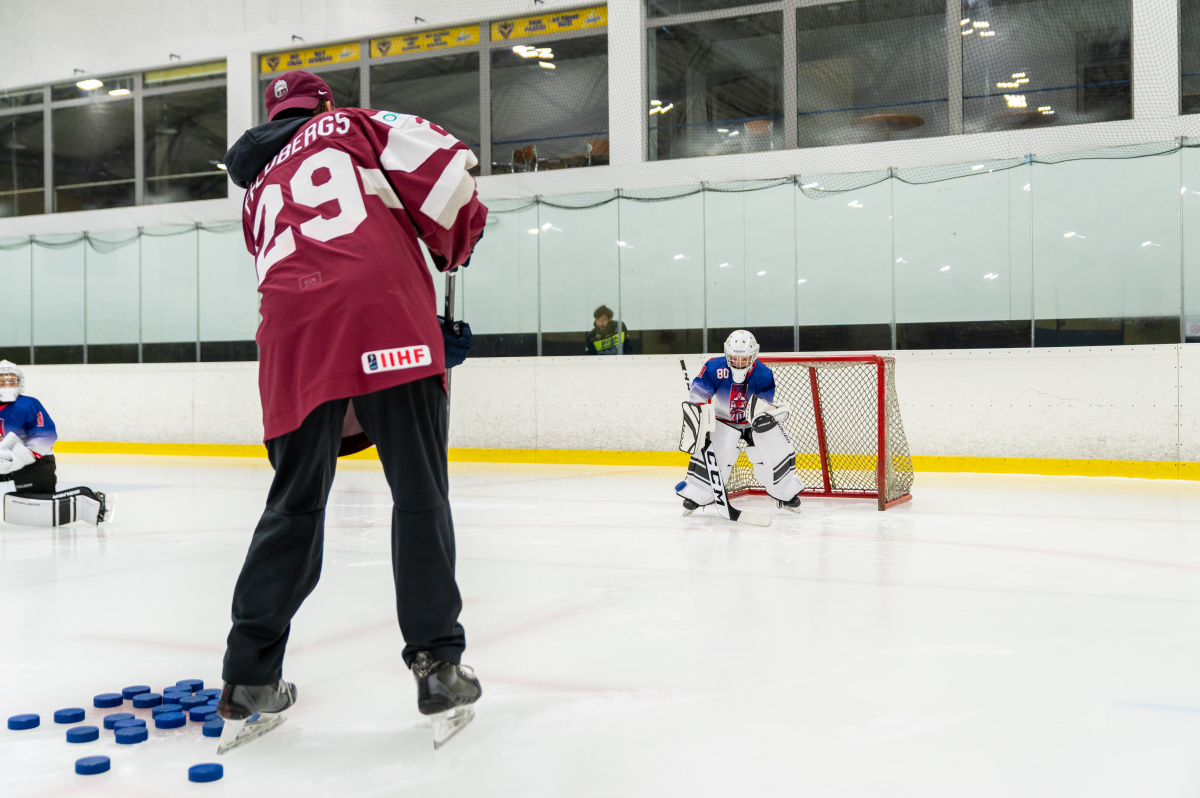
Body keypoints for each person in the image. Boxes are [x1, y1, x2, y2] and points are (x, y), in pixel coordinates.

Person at [217, 70, 484, 752]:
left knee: (292, 506)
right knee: (420, 494)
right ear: (324, 104)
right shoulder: (356, 125)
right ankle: (438, 667)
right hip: (383, 318)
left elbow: (304, 262)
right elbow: (451, 176)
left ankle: (248, 678)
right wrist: (455, 246)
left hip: (289, 341)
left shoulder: (256, 187)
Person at [675, 331, 803, 515]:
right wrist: (699, 408)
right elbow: (699, 391)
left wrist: (762, 417)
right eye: (735, 357)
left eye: (744, 358)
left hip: (752, 422)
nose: (739, 362)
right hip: (722, 419)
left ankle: (784, 491)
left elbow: (763, 403)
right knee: (717, 454)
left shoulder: (763, 373)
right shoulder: (714, 367)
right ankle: (697, 492)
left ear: (754, 355)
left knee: (775, 448)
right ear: (727, 354)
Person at [0, 360, 108, 525]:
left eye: (11, 381)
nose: (7, 385)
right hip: (5, 459)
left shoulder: (28, 404)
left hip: (34, 462)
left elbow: (46, 435)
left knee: (36, 507)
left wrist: (21, 459)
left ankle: (91, 499)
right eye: (2, 381)